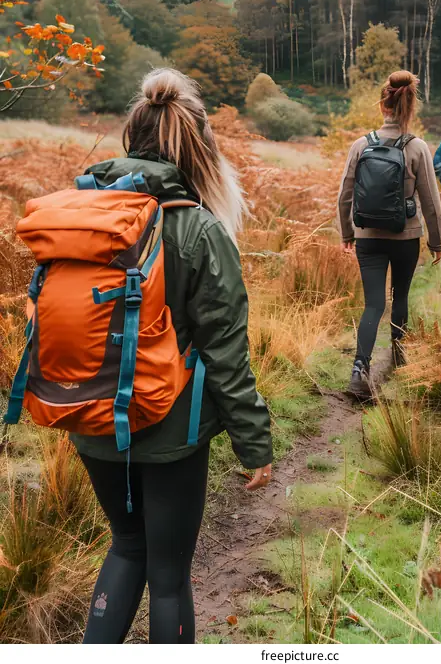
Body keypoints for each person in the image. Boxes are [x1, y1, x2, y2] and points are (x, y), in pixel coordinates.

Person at [71, 69, 273, 644]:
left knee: (126, 545)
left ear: (131, 139)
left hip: (88, 413)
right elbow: (227, 354)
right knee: (167, 574)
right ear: (199, 148)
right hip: (170, 426)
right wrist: (254, 444)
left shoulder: (88, 217)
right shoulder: (200, 231)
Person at [337, 70, 441, 400]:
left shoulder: (360, 144)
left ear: (383, 104)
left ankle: (359, 370)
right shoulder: (417, 148)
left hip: (367, 236)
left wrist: (347, 233)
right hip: (405, 237)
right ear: (410, 107)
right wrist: (436, 241)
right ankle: (400, 360)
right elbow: (430, 200)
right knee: (400, 296)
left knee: (373, 304)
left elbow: (345, 194)